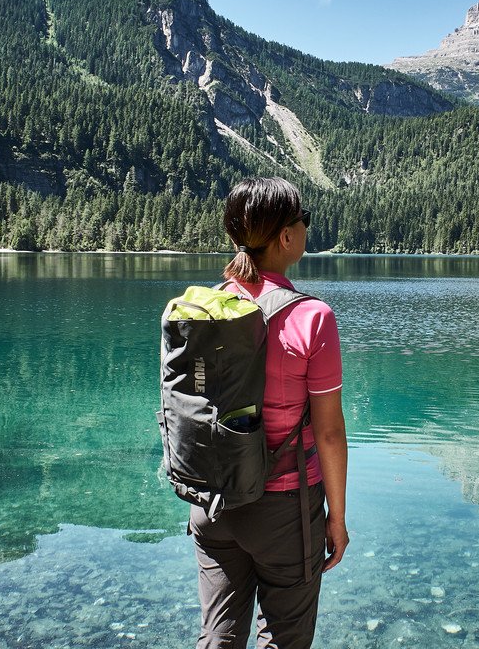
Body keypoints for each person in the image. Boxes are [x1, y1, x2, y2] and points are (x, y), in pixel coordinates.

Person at [189, 176, 349, 649]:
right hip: (284, 508)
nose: (305, 230)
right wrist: (335, 521)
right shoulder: (312, 317)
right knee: (285, 640)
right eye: (303, 222)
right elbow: (330, 435)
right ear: (285, 237)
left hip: (212, 502)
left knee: (218, 639)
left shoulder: (205, 306)